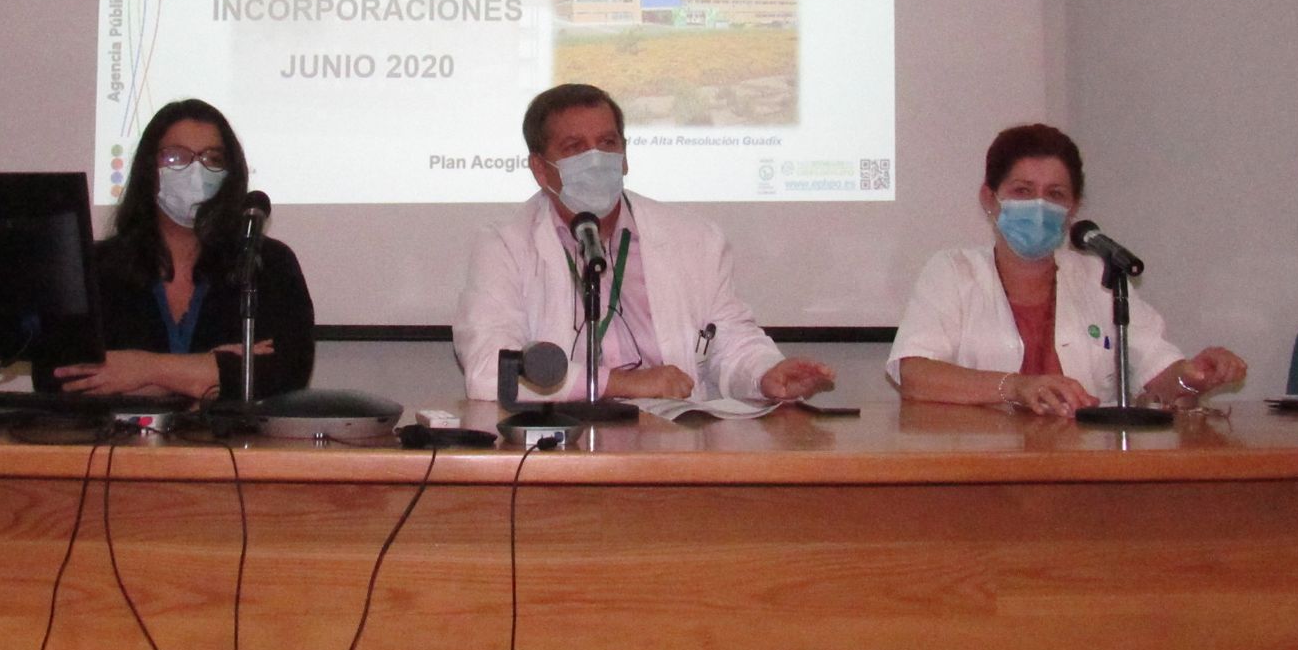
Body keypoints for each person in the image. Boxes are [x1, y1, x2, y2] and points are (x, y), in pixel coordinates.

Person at [455, 83, 835, 403]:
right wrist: (619, 384)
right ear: (540, 169)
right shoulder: (504, 244)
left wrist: (764, 374)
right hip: (562, 449)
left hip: (672, 447)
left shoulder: (695, 239)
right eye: (575, 148)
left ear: (624, 156)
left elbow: (731, 341)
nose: (596, 159)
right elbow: (491, 371)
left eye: (607, 143)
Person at [888, 123, 1245, 416]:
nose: (1039, 206)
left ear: (1073, 207)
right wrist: (1015, 386)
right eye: (1023, 190)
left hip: (1087, 472)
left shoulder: (1101, 279)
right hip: (981, 473)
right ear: (989, 198)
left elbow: (1159, 374)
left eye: (1055, 194)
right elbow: (917, 375)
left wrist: (1192, 377)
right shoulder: (953, 271)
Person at [55, 98, 315, 400]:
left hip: (233, 444)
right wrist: (208, 371)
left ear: (231, 172)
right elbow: (62, 378)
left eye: (212, 159)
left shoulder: (267, 261)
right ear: (148, 168)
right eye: (176, 157)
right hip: (118, 445)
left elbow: (286, 374)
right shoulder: (98, 266)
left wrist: (142, 369)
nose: (196, 170)